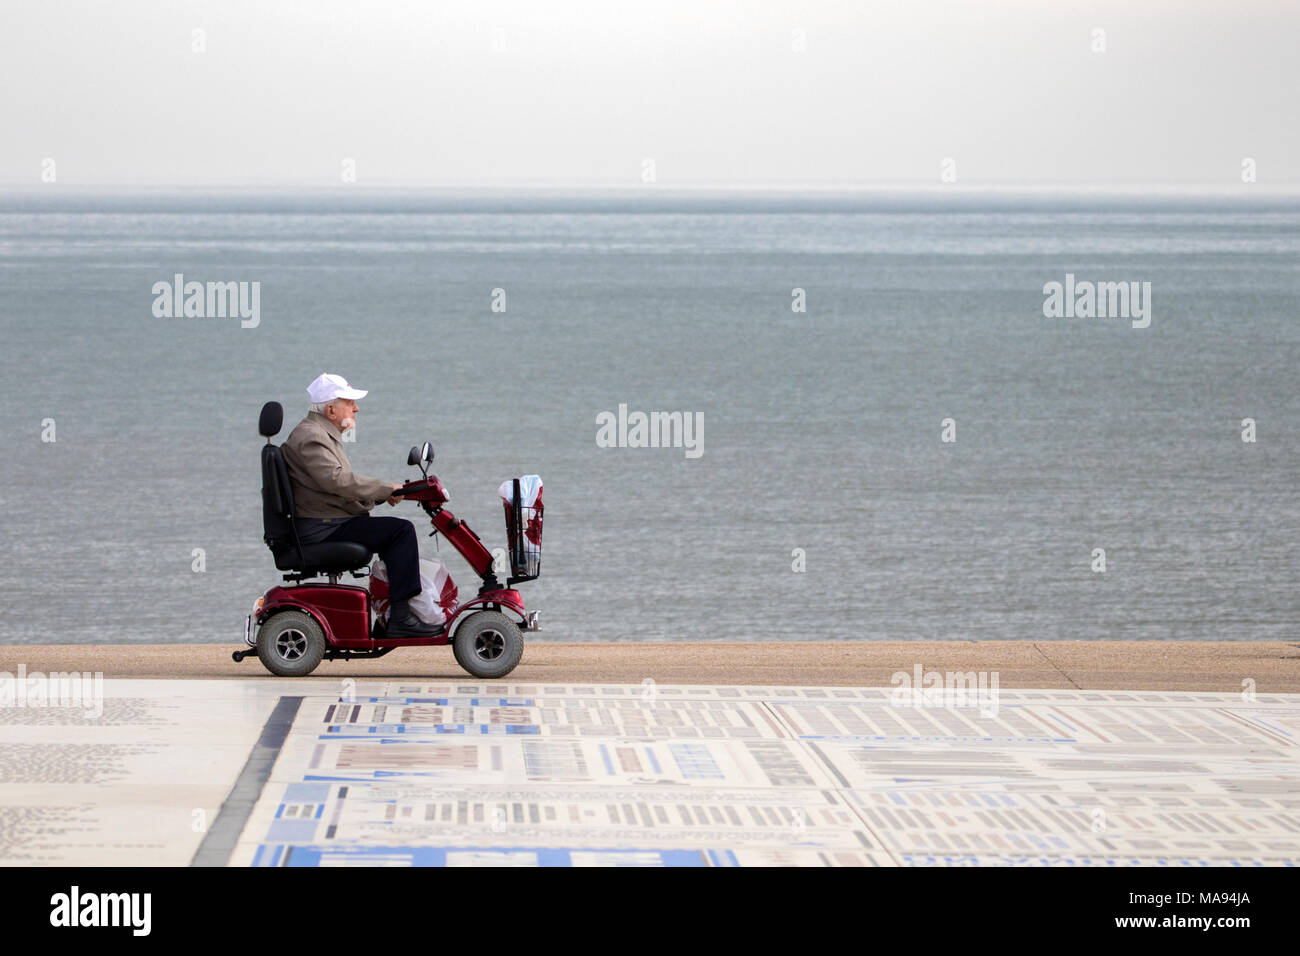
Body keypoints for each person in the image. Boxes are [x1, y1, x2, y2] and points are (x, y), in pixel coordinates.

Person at [280, 373, 441, 638]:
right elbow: (338, 481)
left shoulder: (318, 433)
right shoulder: (311, 437)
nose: (356, 408)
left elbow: (335, 487)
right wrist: (385, 488)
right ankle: (400, 617)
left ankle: (395, 613)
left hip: (326, 520)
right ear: (331, 409)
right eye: (350, 402)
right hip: (322, 528)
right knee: (399, 531)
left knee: (393, 531)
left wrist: (380, 494)